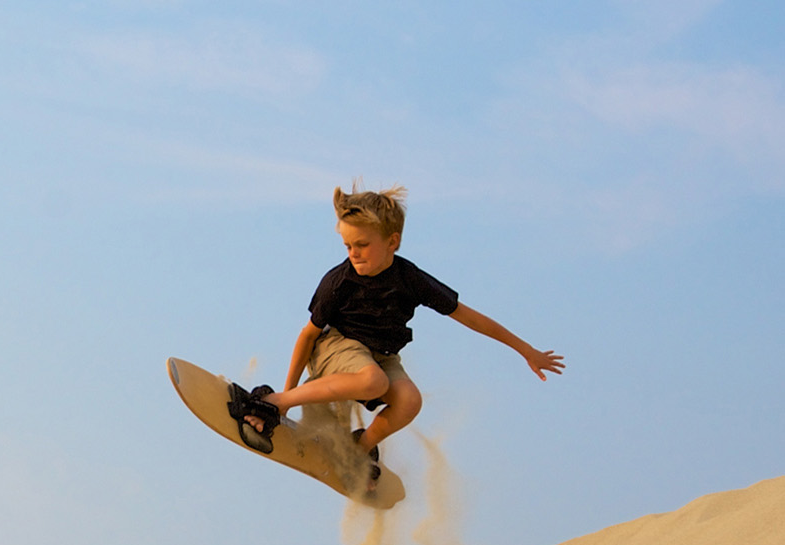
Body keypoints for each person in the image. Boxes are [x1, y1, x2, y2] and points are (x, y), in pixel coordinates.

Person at [233, 182, 565, 487]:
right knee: (373, 381)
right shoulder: (339, 281)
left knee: (409, 401)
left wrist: (526, 350)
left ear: (392, 242)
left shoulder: (410, 279)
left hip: (380, 356)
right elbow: (307, 337)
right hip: (334, 348)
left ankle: (357, 449)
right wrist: (285, 398)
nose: (353, 253)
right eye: (348, 245)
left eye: (362, 244)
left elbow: (469, 317)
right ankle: (270, 402)